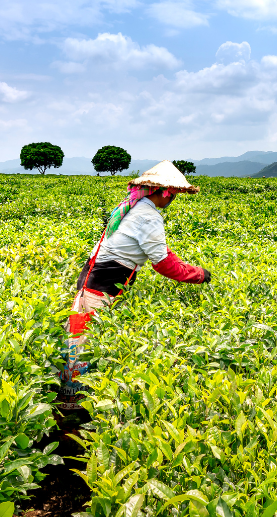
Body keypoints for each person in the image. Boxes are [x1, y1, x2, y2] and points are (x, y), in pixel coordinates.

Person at [59, 160, 211, 408]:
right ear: (163, 193)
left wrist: (189, 267)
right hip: (99, 288)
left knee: (77, 339)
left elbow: (159, 250)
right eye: (172, 195)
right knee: (80, 346)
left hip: (91, 283)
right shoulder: (149, 216)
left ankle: (73, 401)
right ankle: (72, 408)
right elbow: (162, 264)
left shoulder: (131, 207)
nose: (172, 200)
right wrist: (197, 275)